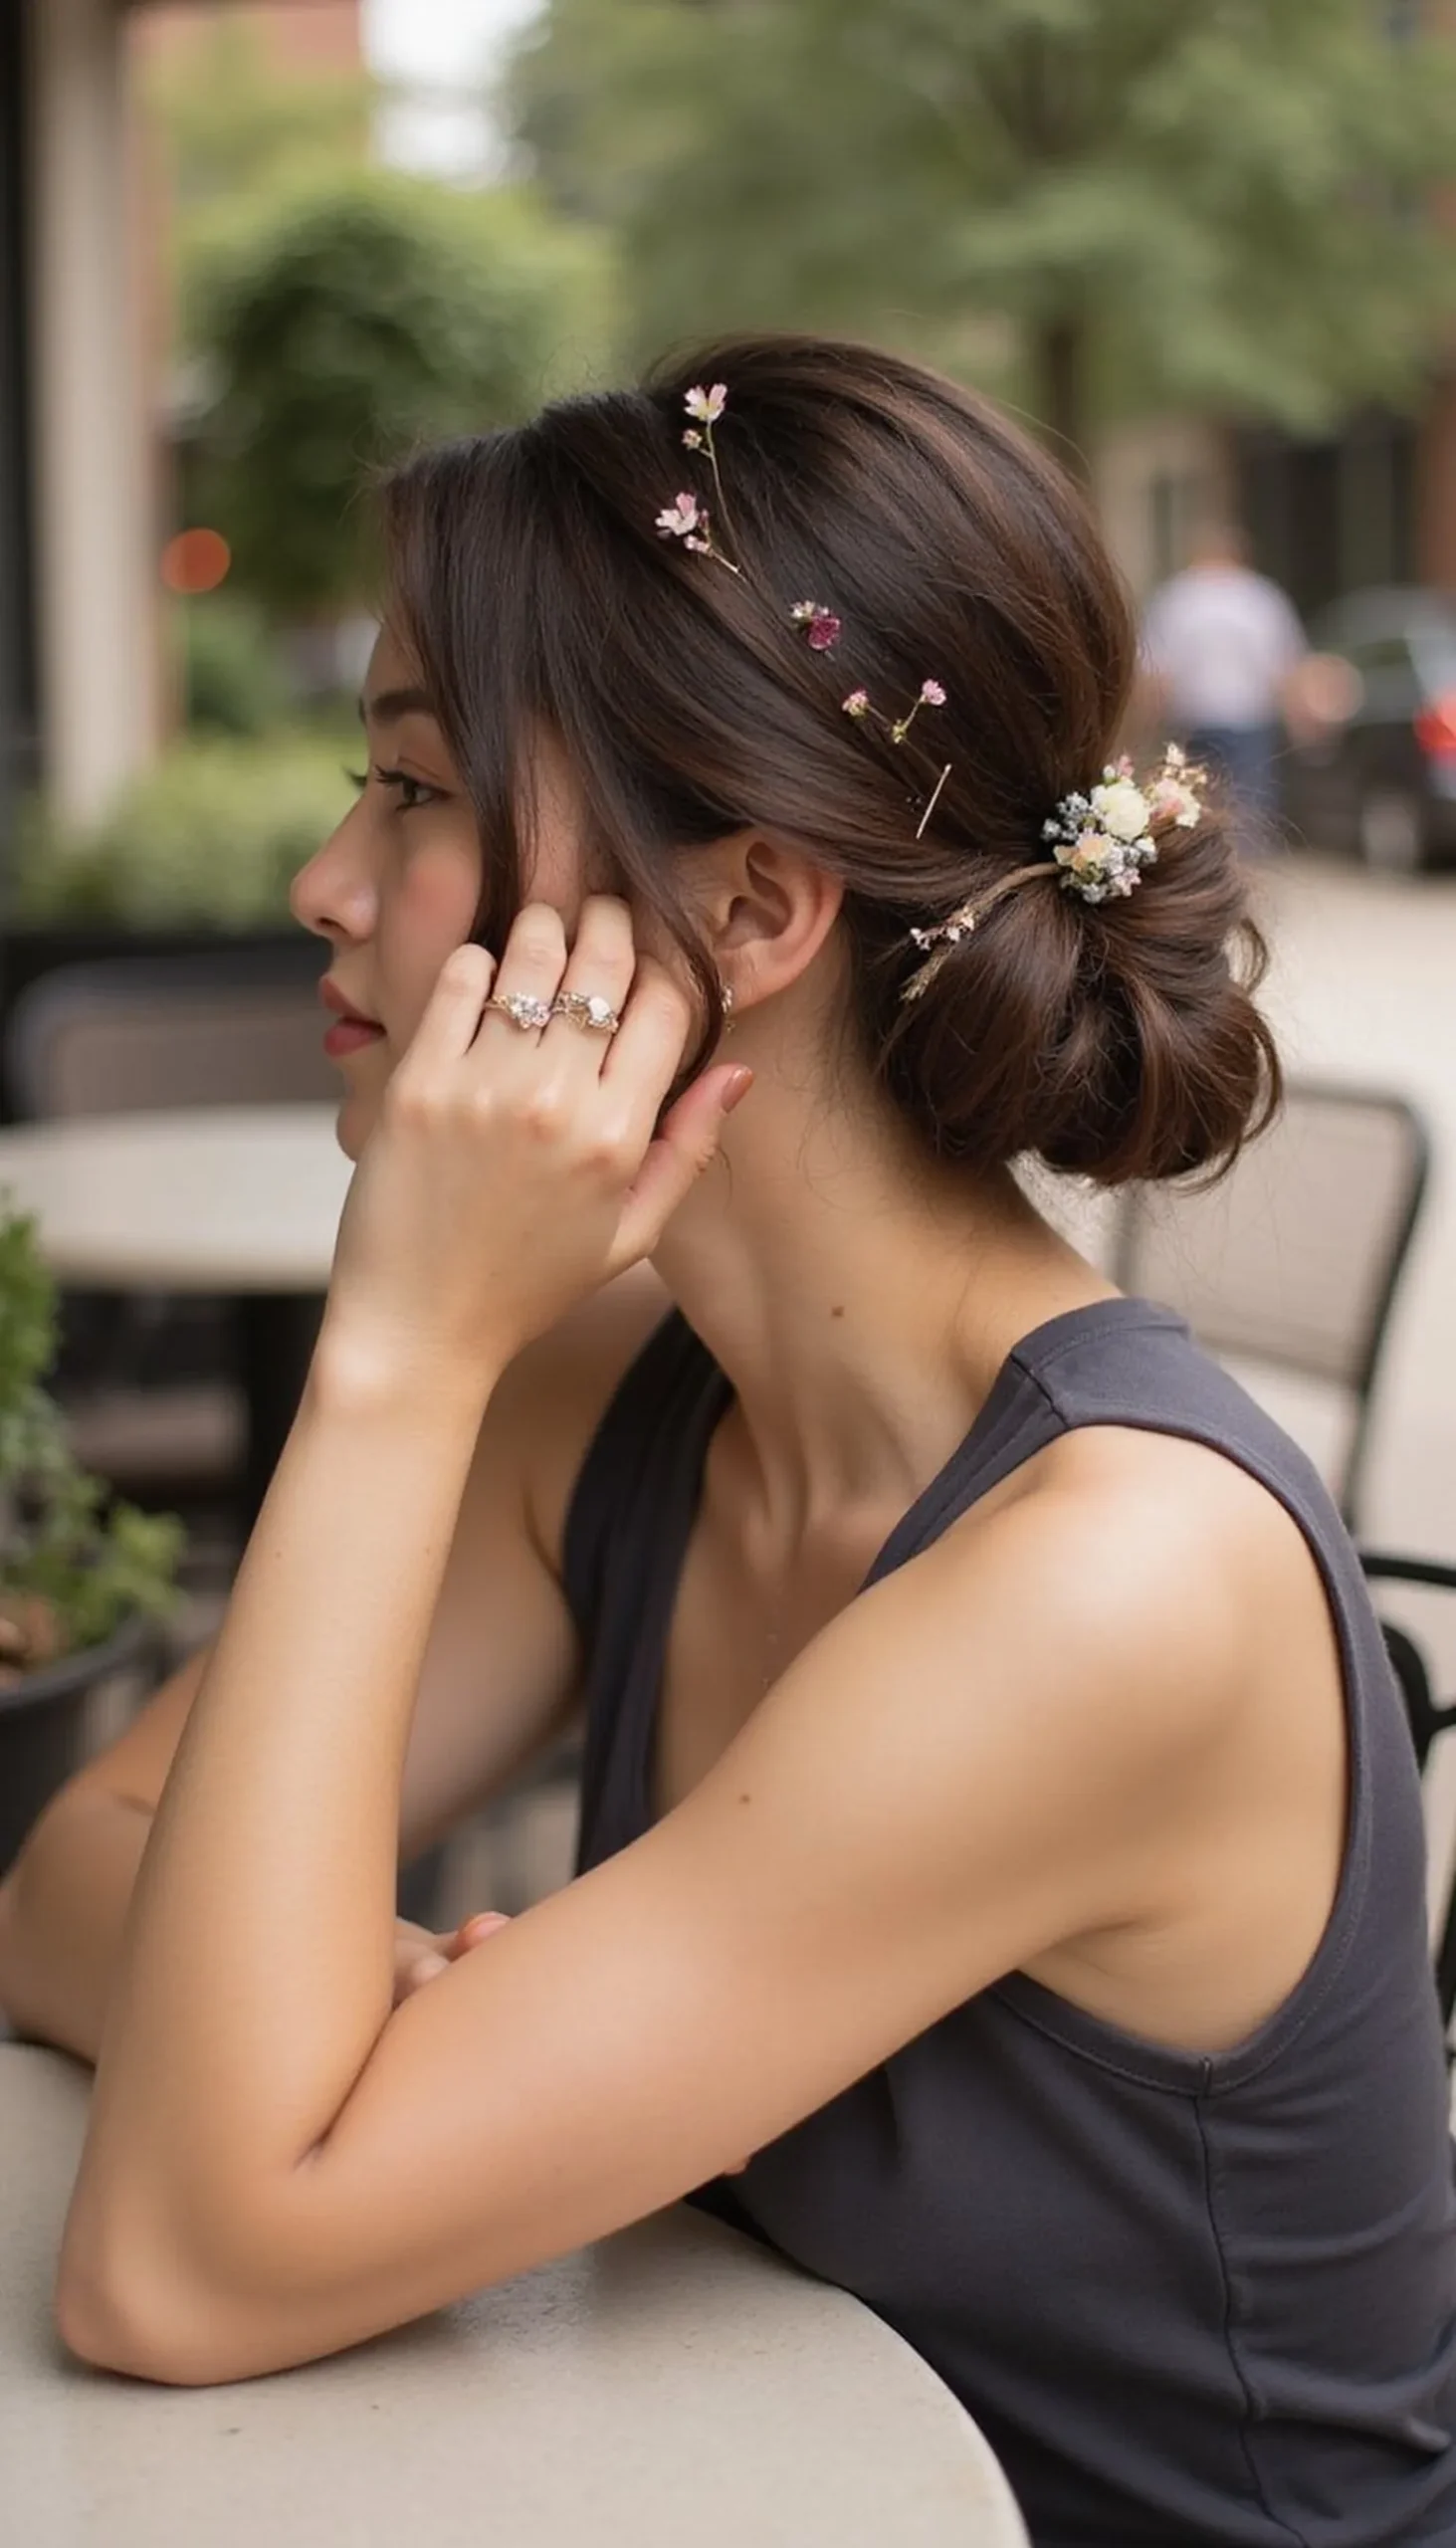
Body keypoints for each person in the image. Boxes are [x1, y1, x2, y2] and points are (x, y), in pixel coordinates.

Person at [2, 337, 1453, 2548]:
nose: (321, 878)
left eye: (410, 790)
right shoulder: (624, 1392)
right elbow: (68, 1867)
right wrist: (341, 2019)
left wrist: (397, 1347)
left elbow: (178, 2261)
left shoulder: (1106, 1576)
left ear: (755, 910)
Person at [1141, 523, 1310, 837]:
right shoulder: (1259, 599)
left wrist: (1152, 723)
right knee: (1250, 802)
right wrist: (1297, 720)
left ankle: (1204, 864)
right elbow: (1282, 667)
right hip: (1248, 719)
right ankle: (1245, 867)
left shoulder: (1178, 598)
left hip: (1195, 717)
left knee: (1192, 802)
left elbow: (1159, 672)